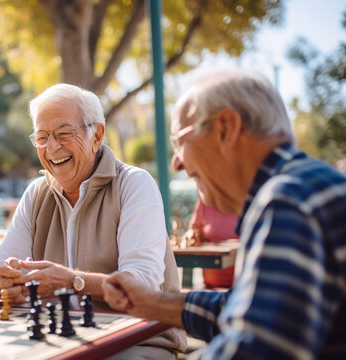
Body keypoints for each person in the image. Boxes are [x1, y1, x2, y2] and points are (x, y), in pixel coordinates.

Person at [102, 69, 346, 359]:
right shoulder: (306, 184)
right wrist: (155, 304)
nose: (176, 162)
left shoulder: (286, 201)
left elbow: (254, 350)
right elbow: (247, 310)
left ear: (226, 128)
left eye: (179, 142)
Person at [0, 84, 186, 358]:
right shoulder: (36, 193)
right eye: (42, 137)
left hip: (139, 342)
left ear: (97, 135)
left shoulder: (134, 184)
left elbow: (142, 285)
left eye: (64, 133)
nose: (52, 147)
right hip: (60, 343)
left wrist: (73, 281)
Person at [185, 197, 239, 288]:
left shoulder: (247, 198)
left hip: (244, 286)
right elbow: (192, 230)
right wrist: (190, 236)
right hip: (211, 287)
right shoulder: (204, 201)